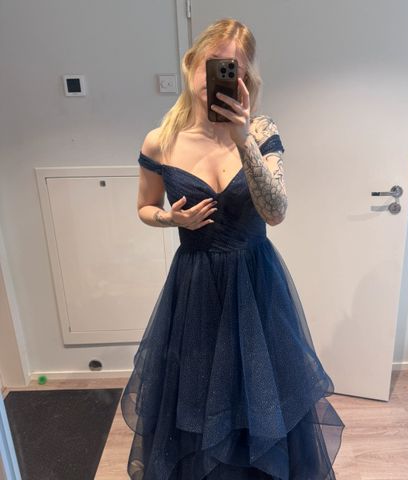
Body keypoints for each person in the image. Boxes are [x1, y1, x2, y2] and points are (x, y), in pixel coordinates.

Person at [121, 17, 344, 480]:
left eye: (233, 70)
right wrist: (170, 219)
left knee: (262, 394)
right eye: (212, 65)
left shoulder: (260, 130)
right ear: (190, 64)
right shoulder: (161, 141)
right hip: (195, 289)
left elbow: (275, 211)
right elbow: (144, 207)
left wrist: (243, 140)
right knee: (197, 395)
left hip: (257, 287)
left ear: (247, 78)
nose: (218, 78)